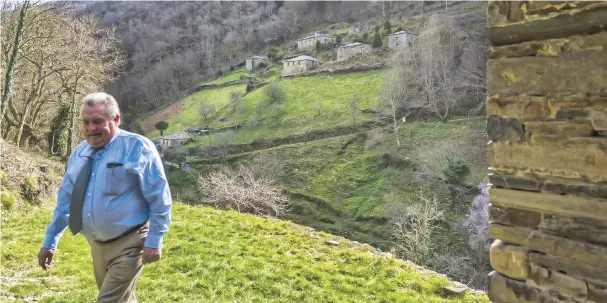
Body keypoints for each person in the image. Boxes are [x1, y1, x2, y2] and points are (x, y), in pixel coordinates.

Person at [38, 92, 172, 303]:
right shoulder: (79, 153)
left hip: (131, 242)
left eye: (98, 121)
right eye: (86, 122)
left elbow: (159, 197)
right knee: (122, 300)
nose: (91, 128)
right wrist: (50, 240)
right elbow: (65, 200)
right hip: (97, 245)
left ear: (116, 119)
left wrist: (155, 240)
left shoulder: (137, 148)